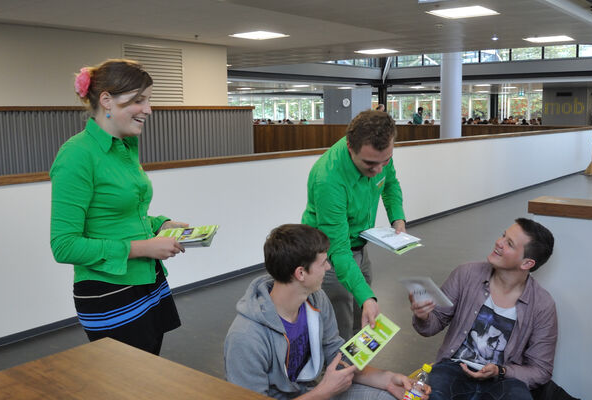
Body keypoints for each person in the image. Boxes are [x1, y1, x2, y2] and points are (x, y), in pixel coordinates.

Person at [50, 59, 187, 355]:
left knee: (149, 377)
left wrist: (161, 225)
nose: (148, 110)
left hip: (147, 282)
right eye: (138, 100)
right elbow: (64, 246)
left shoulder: (124, 146)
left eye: (148, 100)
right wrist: (143, 248)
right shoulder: (76, 155)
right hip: (109, 293)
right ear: (106, 100)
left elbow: (123, 215)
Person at [224, 224, 428, 400]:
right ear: (301, 273)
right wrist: (322, 392)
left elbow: (337, 356)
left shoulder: (316, 299)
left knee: (388, 395)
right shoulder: (245, 337)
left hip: (313, 392)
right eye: (323, 263)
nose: (329, 267)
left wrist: (386, 379)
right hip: (315, 394)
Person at [409, 218, 557, 400]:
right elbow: (433, 324)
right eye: (503, 235)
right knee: (430, 395)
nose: (499, 242)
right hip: (454, 367)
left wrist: (500, 371)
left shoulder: (542, 305)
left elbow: (541, 370)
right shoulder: (466, 274)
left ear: (526, 263)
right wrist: (423, 316)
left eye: (509, 243)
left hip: (504, 379)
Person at [302, 110, 406, 337]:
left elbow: (390, 184)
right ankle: (338, 371)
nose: (378, 169)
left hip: (360, 245)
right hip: (327, 257)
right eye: (370, 164)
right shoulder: (328, 179)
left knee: (364, 320)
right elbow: (338, 250)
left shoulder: (379, 153)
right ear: (350, 146)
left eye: (385, 161)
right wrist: (367, 297)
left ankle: (358, 371)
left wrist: (397, 217)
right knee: (339, 331)